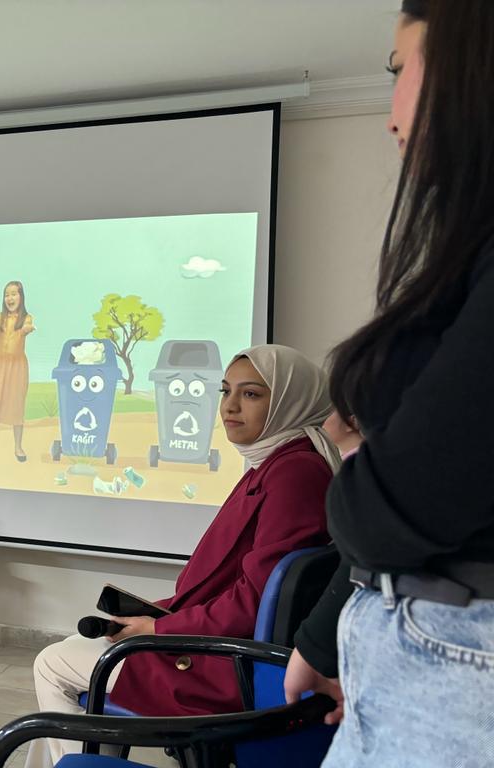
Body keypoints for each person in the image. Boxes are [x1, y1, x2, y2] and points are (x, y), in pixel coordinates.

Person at [284, 2, 494, 764]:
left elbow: (402, 505)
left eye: (399, 71)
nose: (390, 113)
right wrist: (327, 640)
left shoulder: (288, 473)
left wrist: (359, 462)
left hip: (455, 671)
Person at [25, 345, 340, 768]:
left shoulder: (293, 473)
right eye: (226, 391)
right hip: (228, 649)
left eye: (250, 394)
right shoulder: (282, 462)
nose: (229, 406)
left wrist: (160, 627)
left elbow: (253, 601)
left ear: (290, 400)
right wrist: (158, 617)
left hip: (227, 664)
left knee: (52, 662)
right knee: (76, 646)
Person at [0, 281, 34, 462]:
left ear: (21, 297)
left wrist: (26, 329)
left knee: (16, 405)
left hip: (17, 367)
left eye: (13, 294)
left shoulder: (26, 318)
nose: (10, 298)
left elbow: (26, 329)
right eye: (7, 295)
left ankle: (18, 447)